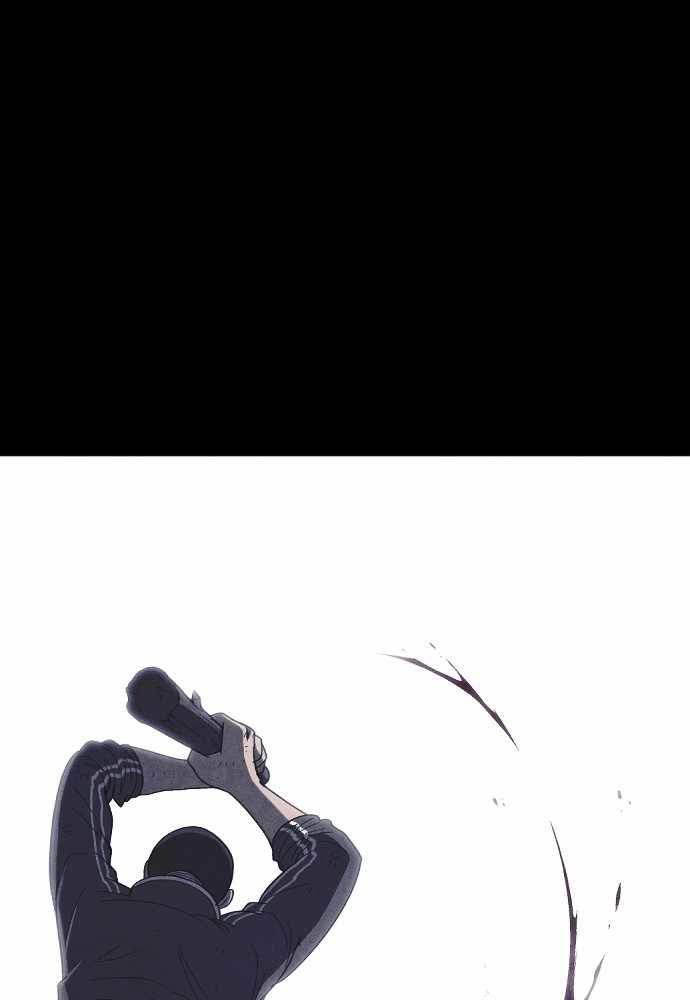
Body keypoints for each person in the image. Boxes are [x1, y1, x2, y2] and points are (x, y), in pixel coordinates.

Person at [50, 706, 361, 998]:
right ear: (225, 899)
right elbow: (333, 856)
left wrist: (196, 774)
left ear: (146, 871)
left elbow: (92, 768)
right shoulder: (240, 957)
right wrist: (241, 782)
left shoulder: (92, 916)